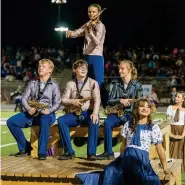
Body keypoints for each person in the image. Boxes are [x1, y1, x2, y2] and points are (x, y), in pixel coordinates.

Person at [76, 99, 174, 185]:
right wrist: (119, 160)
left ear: (150, 110)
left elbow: (160, 148)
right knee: (110, 171)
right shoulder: (128, 124)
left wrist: (165, 167)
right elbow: (123, 145)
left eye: (148, 107)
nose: (145, 109)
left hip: (140, 158)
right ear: (136, 109)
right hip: (126, 156)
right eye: (142, 106)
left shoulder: (153, 127)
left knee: (138, 175)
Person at [7, 59, 61, 160]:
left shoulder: (54, 85)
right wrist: (28, 108)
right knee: (11, 122)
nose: (40, 67)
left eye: (43, 66)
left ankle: (42, 152)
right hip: (33, 113)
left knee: (44, 120)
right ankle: (25, 148)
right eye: (39, 66)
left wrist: (48, 111)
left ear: (50, 70)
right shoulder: (32, 83)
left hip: (48, 114)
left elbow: (58, 103)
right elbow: (24, 98)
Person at [97, 59, 143, 160]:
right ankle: (108, 152)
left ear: (129, 69)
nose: (119, 71)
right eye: (119, 69)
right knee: (107, 122)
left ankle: (134, 154)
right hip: (117, 113)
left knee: (135, 127)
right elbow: (109, 101)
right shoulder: (116, 84)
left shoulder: (137, 85)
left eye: (122, 69)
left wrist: (133, 102)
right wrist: (120, 100)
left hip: (131, 114)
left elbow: (141, 102)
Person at [57, 59, 100, 160]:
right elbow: (63, 100)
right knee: (61, 120)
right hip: (74, 113)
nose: (83, 69)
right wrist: (73, 101)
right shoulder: (70, 84)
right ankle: (69, 151)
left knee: (94, 120)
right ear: (74, 70)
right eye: (80, 67)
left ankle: (91, 153)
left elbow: (97, 100)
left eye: (85, 67)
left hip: (88, 113)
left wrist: (95, 113)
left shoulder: (93, 82)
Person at [66, 4, 106, 88]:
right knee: (88, 84)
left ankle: (102, 101)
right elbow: (76, 33)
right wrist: (70, 33)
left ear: (99, 13)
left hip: (96, 57)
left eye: (93, 12)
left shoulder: (100, 26)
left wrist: (90, 32)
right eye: (89, 12)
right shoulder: (88, 24)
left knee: (98, 84)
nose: (91, 14)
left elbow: (97, 42)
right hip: (87, 57)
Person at [166, 91, 185, 172]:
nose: (176, 98)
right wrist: (169, 133)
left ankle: (179, 169)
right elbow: (167, 122)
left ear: (183, 99)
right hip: (172, 129)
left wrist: (183, 135)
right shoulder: (170, 107)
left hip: (181, 130)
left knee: (180, 149)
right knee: (171, 148)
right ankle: (170, 167)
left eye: (178, 97)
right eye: (176, 96)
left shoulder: (184, 110)